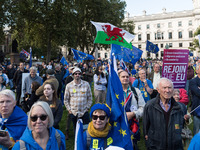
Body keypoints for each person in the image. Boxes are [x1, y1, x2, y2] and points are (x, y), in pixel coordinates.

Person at [143, 78, 184, 150]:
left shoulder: (179, 107)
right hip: (156, 146)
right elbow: (145, 128)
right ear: (158, 90)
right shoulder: (150, 106)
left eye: (169, 88)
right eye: (164, 88)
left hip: (174, 146)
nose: (167, 90)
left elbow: (181, 126)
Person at [118, 70, 145, 149]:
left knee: (133, 146)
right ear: (118, 78)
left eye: (127, 77)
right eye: (123, 77)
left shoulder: (136, 91)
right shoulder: (115, 93)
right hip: (119, 125)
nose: (125, 78)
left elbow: (143, 108)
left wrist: (133, 113)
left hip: (132, 125)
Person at [64, 67, 92, 132]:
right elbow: (66, 99)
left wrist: (87, 108)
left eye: (79, 74)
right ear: (73, 75)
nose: (77, 75)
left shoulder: (86, 84)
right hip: (74, 112)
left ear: (81, 74)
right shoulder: (69, 86)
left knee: (86, 129)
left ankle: (85, 141)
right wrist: (69, 110)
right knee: (76, 130)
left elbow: (90, 98)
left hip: (84, 111)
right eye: (75, 74)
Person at [189, 63, 200, 135]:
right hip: (197, 108)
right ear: (197, 71)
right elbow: (198, 93)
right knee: (197, 130)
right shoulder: (193, 81)